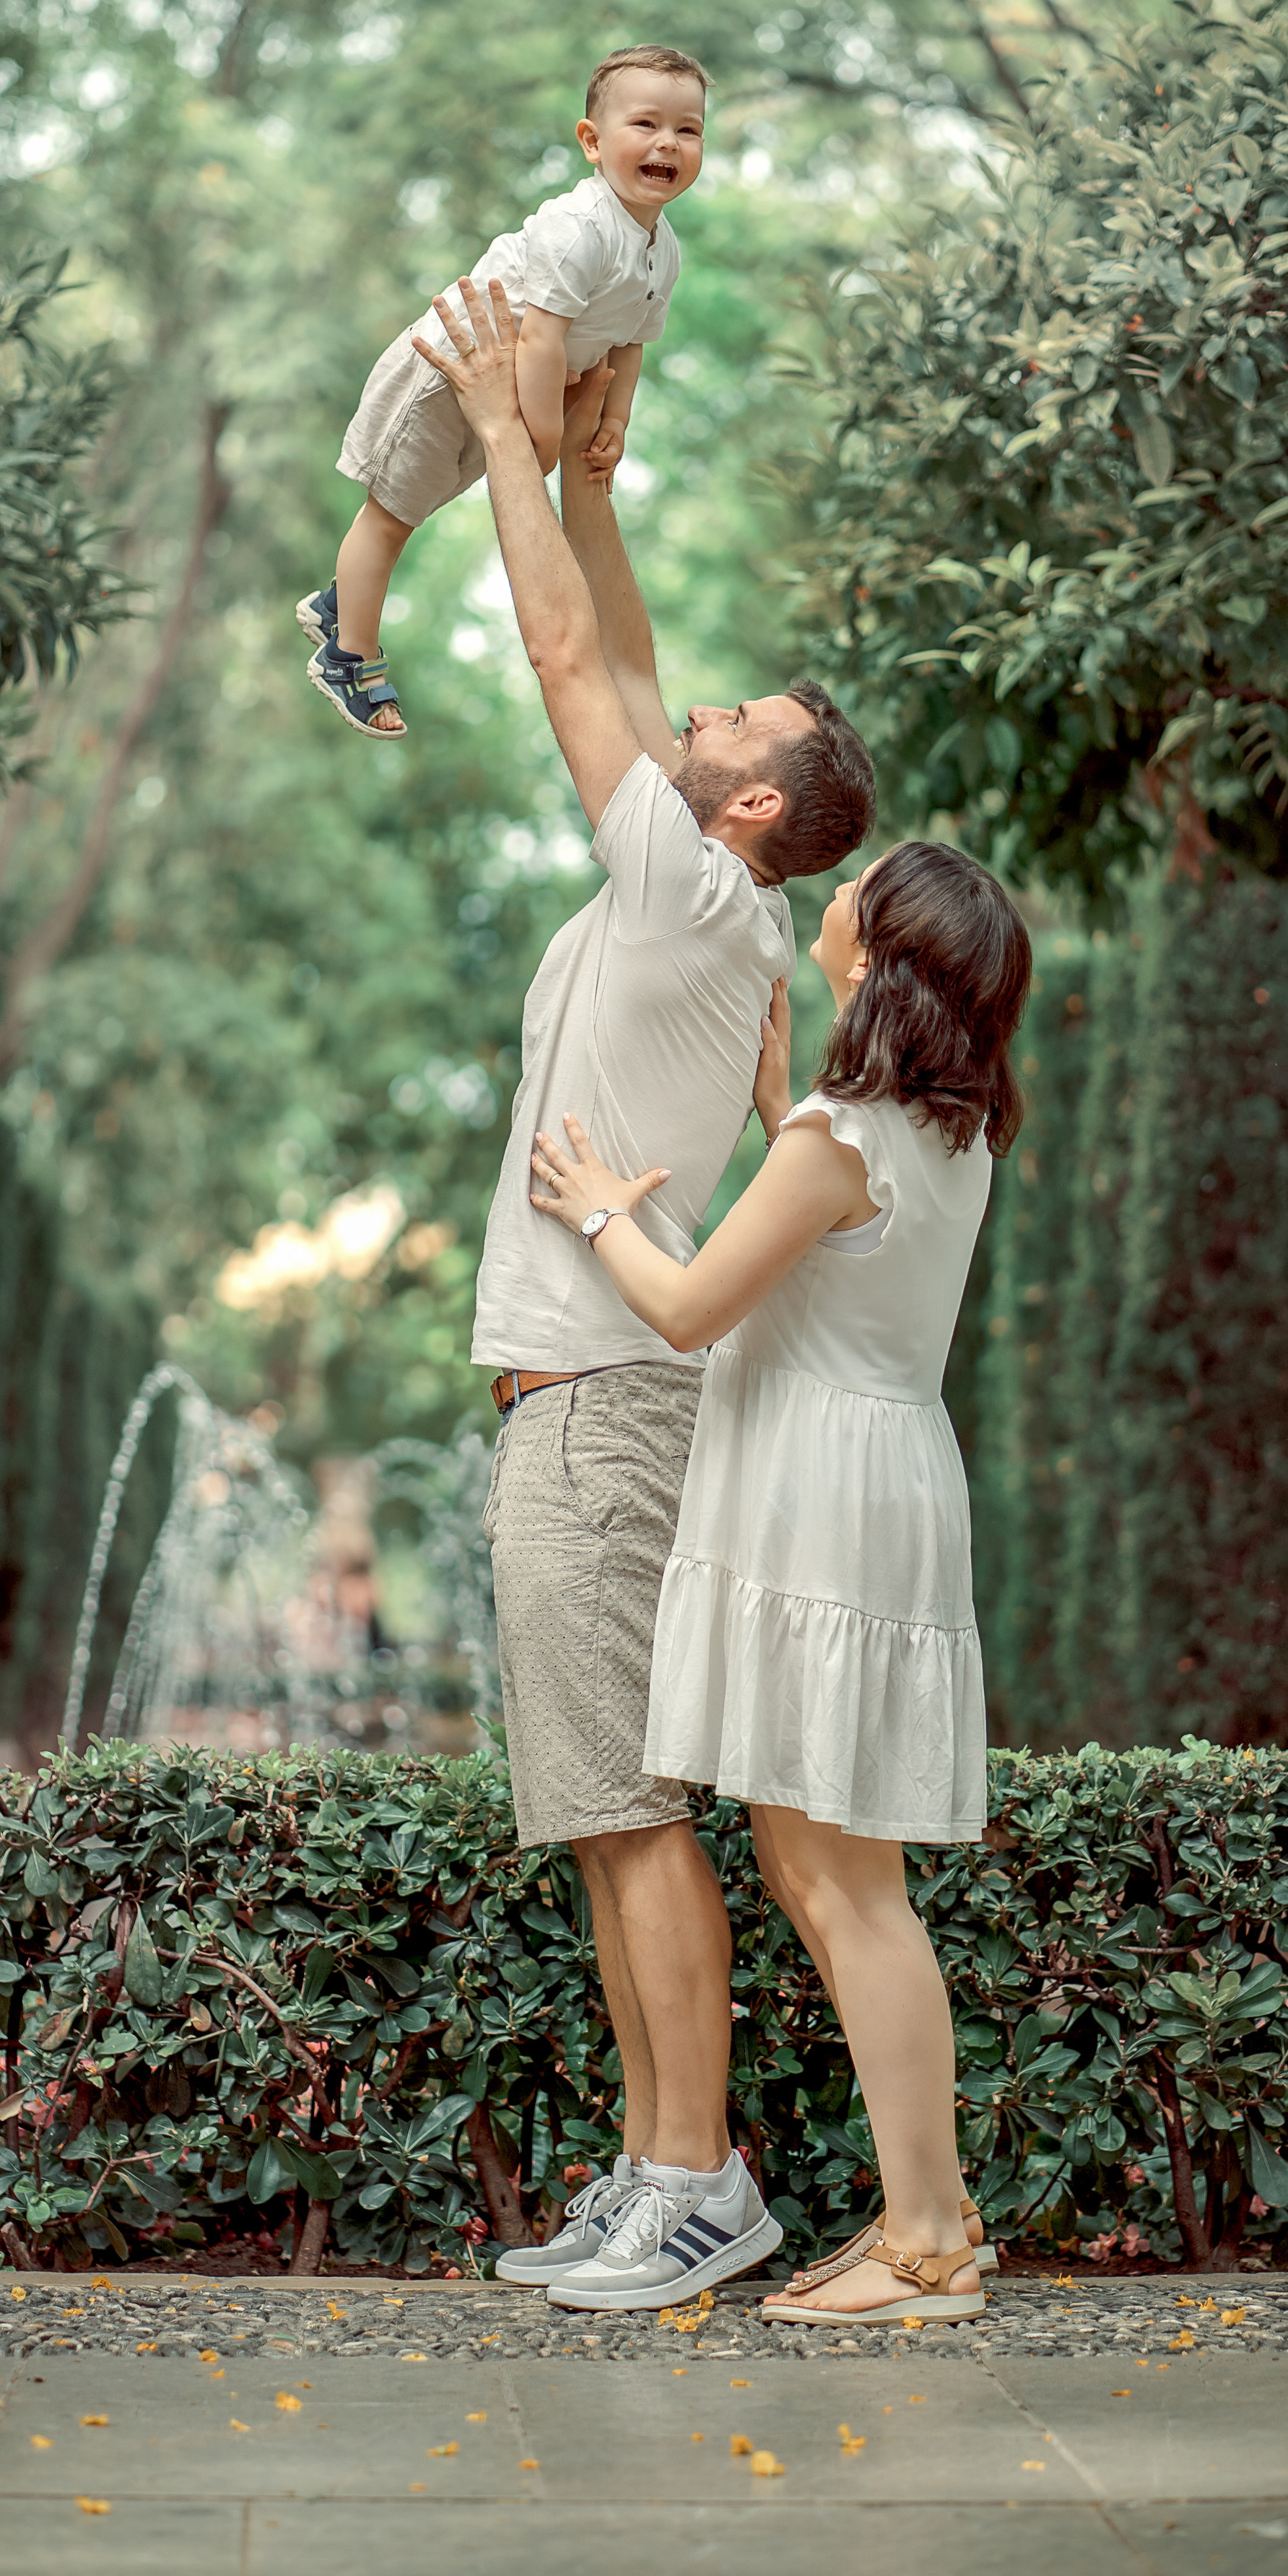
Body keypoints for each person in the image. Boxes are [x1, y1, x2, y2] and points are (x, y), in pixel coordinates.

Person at [408, 272, 876, 2311]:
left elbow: (570, 647)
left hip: (602, 1397)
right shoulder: (715, 894)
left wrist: (506, 430)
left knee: (626, 1816)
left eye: (728, 734)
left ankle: (698, 2183)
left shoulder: (691, 888)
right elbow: (629, 635)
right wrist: (595, 470)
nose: (696, 721)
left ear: (750, 808)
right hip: (586, 1395)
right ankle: (654, 2169)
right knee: (608, 1816)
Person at [529, 837, 1031, 2326]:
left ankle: (928, 2240)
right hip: (873, 1480)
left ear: (878, 952)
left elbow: (689, 1307)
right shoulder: (942, 1129)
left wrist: (594, 1206)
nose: (827, 900)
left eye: (849, 895)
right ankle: (919, 2226)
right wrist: (773, 1103)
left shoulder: (842, 1130)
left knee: (838, 1884)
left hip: (812, 1498)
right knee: (830, 1878)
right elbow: (829, 1236)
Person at [295, 44, 708, 737]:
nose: (667, 142)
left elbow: (631, 340)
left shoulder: (661, 250)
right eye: (645, 124)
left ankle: (345, 602)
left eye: (688, 130)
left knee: (413, 509)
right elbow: (543, 340)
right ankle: (347, 653)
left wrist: (618, 420)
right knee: (390, 517)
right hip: (451, 370)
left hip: (505, 393)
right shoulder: (581, 227)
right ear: (592, 141)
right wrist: (541, 443)